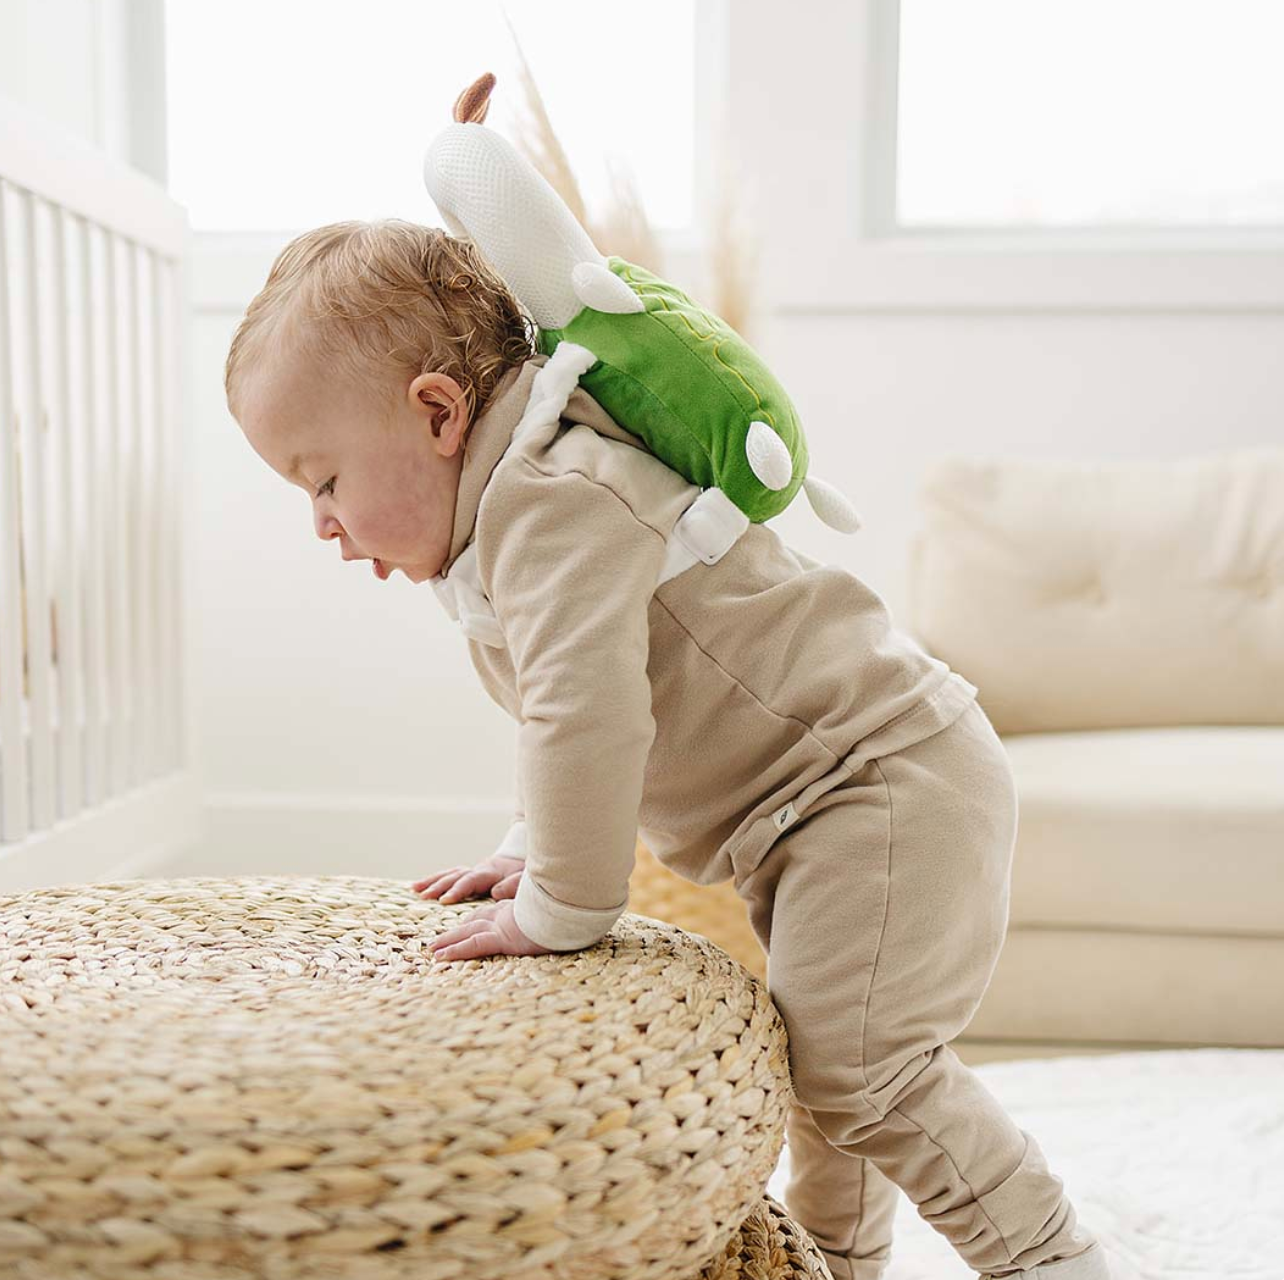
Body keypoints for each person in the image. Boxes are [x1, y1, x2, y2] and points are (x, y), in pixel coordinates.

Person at [225, 217, 1112, 1280]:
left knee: (864, 1067)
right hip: (834, 797)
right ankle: (837, 1251)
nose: (322, 523)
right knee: (828, 1050)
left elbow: (587, 712)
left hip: (880, 778)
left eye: (323, 481)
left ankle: (1048, 1256)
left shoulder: (553, 498)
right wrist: (527, 839)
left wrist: (559, 900)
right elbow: (583, 702)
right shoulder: (512, 512)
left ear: (436, 412)